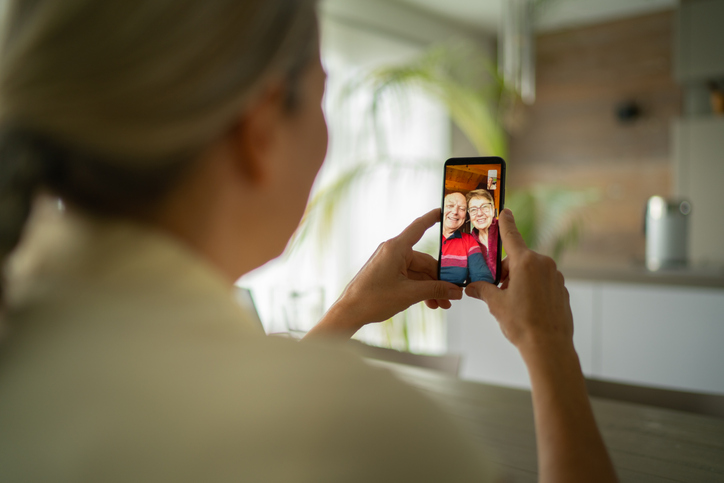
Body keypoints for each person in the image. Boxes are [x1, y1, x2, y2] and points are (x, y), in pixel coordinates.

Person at [0, 1, 617, 482]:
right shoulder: (356, 427)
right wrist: (548, 344)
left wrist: (347, 311)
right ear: (261, 123)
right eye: (323, 97)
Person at [439, 191, 493, 285]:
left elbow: (481, 276)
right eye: (450, 206)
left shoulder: (469, 240)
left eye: (462, 209)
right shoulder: (425, 233)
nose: (455, 212)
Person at [467, 189, 499, 280]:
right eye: (473, 209)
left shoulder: (504, 229)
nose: (479, 213)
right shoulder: (468, 242)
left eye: (484, 207)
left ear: (492, 210)